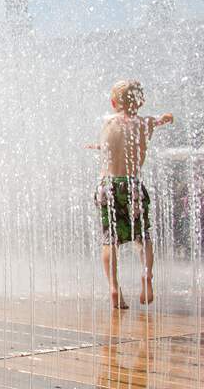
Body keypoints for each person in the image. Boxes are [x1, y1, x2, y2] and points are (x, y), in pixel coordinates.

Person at [87, 80, 173, 309]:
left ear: (113, 102)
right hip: (132, 185)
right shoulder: (145, 123)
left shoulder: (108, 123)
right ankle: (147, 276)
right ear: (141, 101)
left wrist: (97, 147)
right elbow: (156, 122)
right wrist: (165, 118)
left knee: (110, 239)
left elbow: (109, 147)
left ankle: (114, 288)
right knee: (142, 236)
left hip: (107, 186)